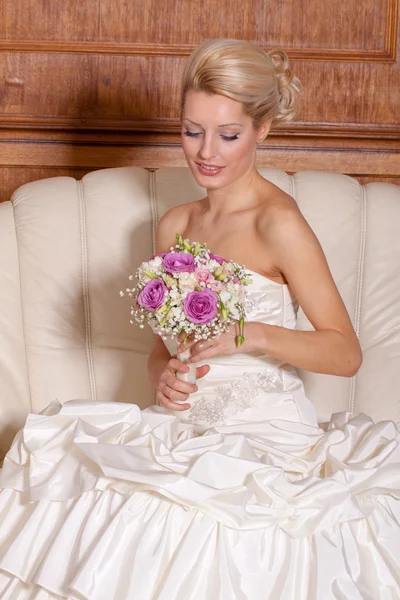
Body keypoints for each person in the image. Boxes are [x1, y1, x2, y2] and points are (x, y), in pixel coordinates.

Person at [0, 39, 399, 600]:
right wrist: (163, 371)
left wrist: (252, 334)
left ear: (261, 131)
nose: (206, 152)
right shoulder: (174, 225)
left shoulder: (278, 224)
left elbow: (344, 351)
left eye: (227, 135)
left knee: (214, 528)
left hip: (266, 434)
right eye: (192, 130)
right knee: (86, 481)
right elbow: (170, 344)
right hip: (182, 427)